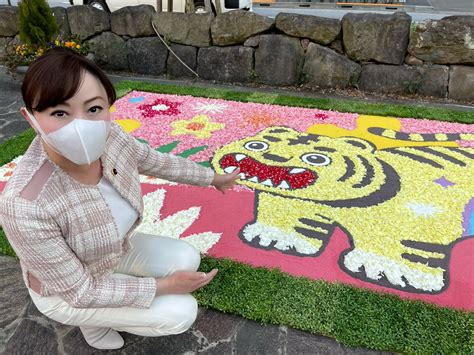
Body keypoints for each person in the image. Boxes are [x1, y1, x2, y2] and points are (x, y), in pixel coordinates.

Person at [0, 47, 240, 350]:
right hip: (64, 292)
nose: (81, 125)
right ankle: (94, 324)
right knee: (180, 312)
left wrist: (212, 178)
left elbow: (154, 160)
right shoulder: (24, 204)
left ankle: (111, 296)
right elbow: (80, 292)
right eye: (59, 113)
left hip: (109, 251)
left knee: (186, 258)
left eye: (94, 108)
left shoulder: (111, 137)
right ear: (31, 117)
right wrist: (164, 287)